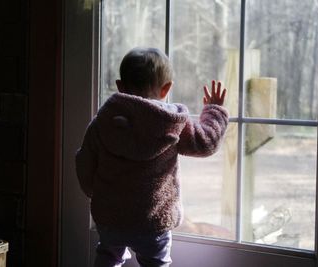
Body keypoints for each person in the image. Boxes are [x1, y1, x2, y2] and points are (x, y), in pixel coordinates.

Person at [76, 47, 229, 267]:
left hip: (111, 215)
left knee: (108, 258)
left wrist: (95, 192)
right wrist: (214, 110)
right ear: (166, 89)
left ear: (120, 86)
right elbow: (206, 143)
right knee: (156, 263)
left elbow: (84, 161)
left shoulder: (104, 121)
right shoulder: (171, 123)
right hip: (153, 219)